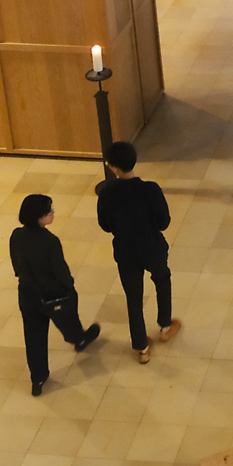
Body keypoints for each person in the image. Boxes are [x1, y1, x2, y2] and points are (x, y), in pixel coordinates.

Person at [96, 142, 181, 363]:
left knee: (133, 297)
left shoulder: (106, 194)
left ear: (112, 167)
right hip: (152, 248)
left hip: (125, 251)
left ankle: (142, 348)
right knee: (162, 280)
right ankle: (164, 326)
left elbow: (105, 225)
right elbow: (164, 222)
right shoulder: (151, 190)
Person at [9, 194, 100, 395]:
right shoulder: (50, 241)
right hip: (52, 293)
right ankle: (79, 339)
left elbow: (16, 264)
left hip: (27, 294)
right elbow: (60, 271)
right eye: (49, 211)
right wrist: (70, 286)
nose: (53, 213)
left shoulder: (17, 235)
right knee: (67, 319)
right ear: (39, 217)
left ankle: (38, 378)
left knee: (33, 337)